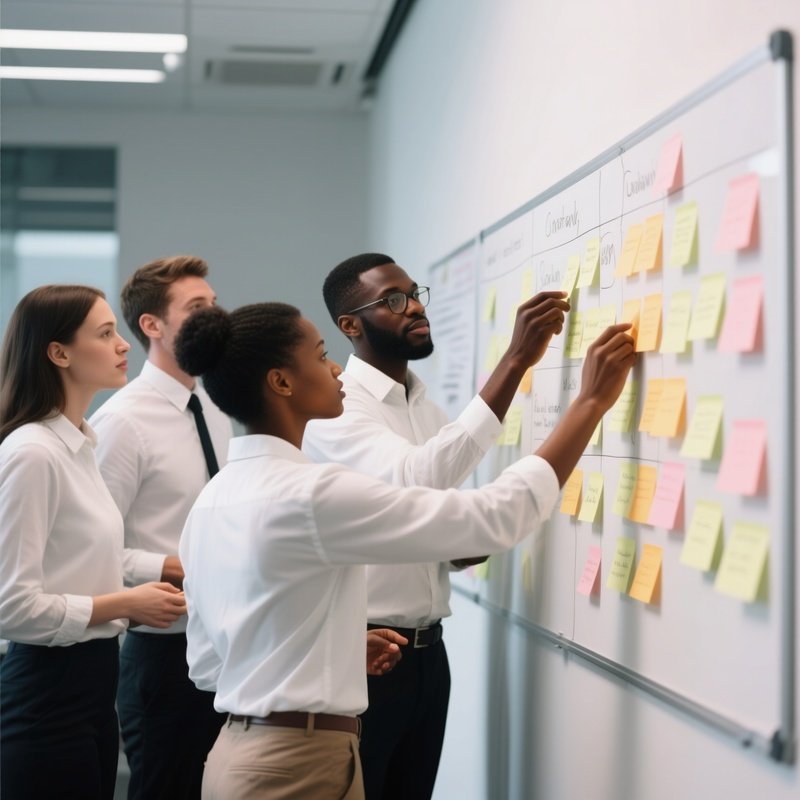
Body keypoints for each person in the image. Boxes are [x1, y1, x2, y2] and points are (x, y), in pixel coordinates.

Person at [174, 300, 634, 800]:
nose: (336, 369)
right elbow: (493, 518)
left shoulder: (212, 500)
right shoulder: (309, 494)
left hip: (236, 757)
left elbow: (207, 664)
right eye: (322, 355)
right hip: (297, 765)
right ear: (282, 383)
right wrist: (589, 403)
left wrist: (338, 651)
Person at [302, 252, 570, 799]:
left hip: (429, 655)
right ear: (349, 326)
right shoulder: (337, 409)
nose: (416, 307)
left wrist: (452, 551)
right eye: (393, 301)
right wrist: (515, 361)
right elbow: (413, 481)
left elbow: (414, 518)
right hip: (367, 654)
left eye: (414, 293)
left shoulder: (422, 404)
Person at [0, 285, 187, 800]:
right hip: (46, 694)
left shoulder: (81, 445)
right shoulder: (33, 453)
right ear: (58, 353)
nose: (123, 345)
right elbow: (12, 609)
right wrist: (129, 602)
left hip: (92, 688)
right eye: (105, 334)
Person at [89, 256, 233, 800]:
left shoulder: (216, 406)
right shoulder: (122, 422)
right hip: (161, 654)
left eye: (214, 304)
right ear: (152, 325)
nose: (214, 316)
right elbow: (94, 551)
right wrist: (170, 568)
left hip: (225, 642)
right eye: (197, 308)